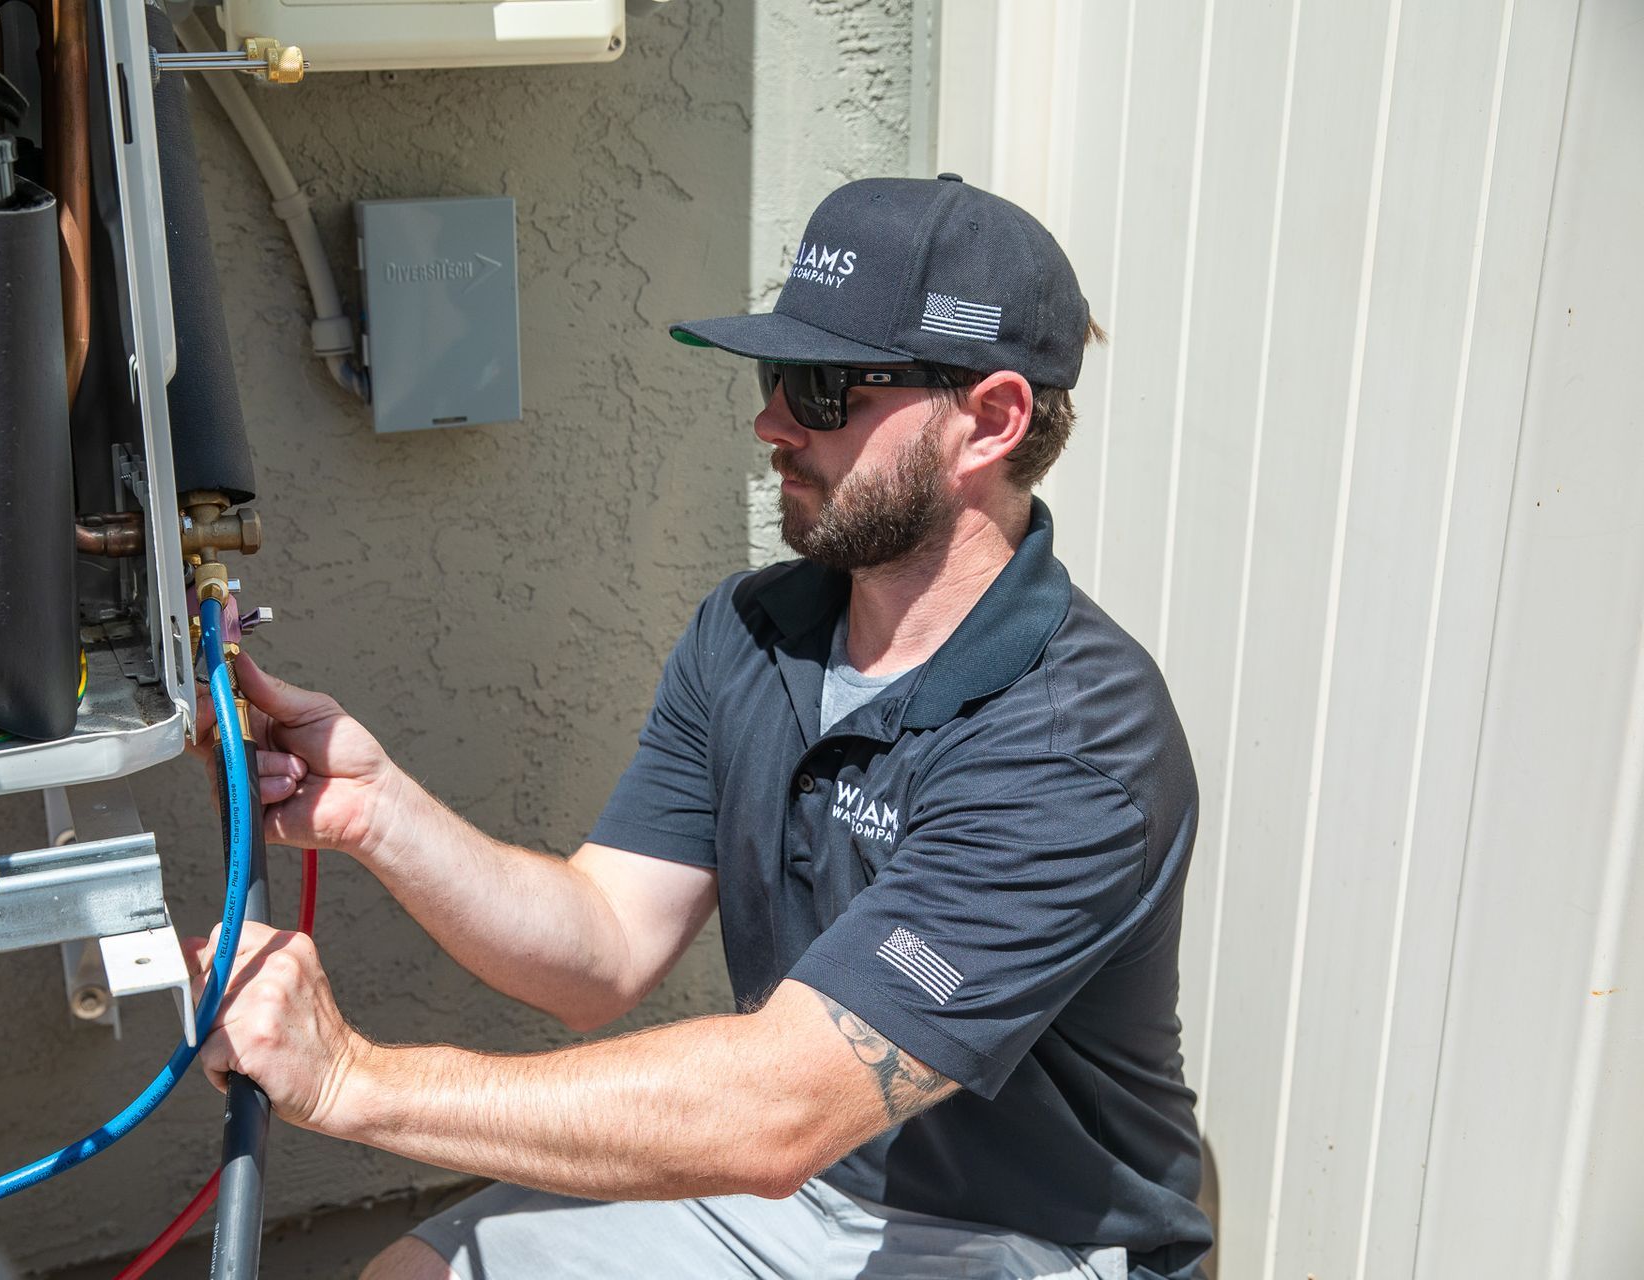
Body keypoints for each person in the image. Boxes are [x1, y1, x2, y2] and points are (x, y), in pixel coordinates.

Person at [188, 175, 1212, 1280]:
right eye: (776, 375)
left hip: (1028, 1239)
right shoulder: (753, 630)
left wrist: (351, 1079)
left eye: (823, 388)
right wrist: (378, 810)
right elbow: (601, 946)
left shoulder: (1075, 743)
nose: (770, 420)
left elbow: (781, 1107)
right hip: (795, 1188)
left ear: (993, 420)